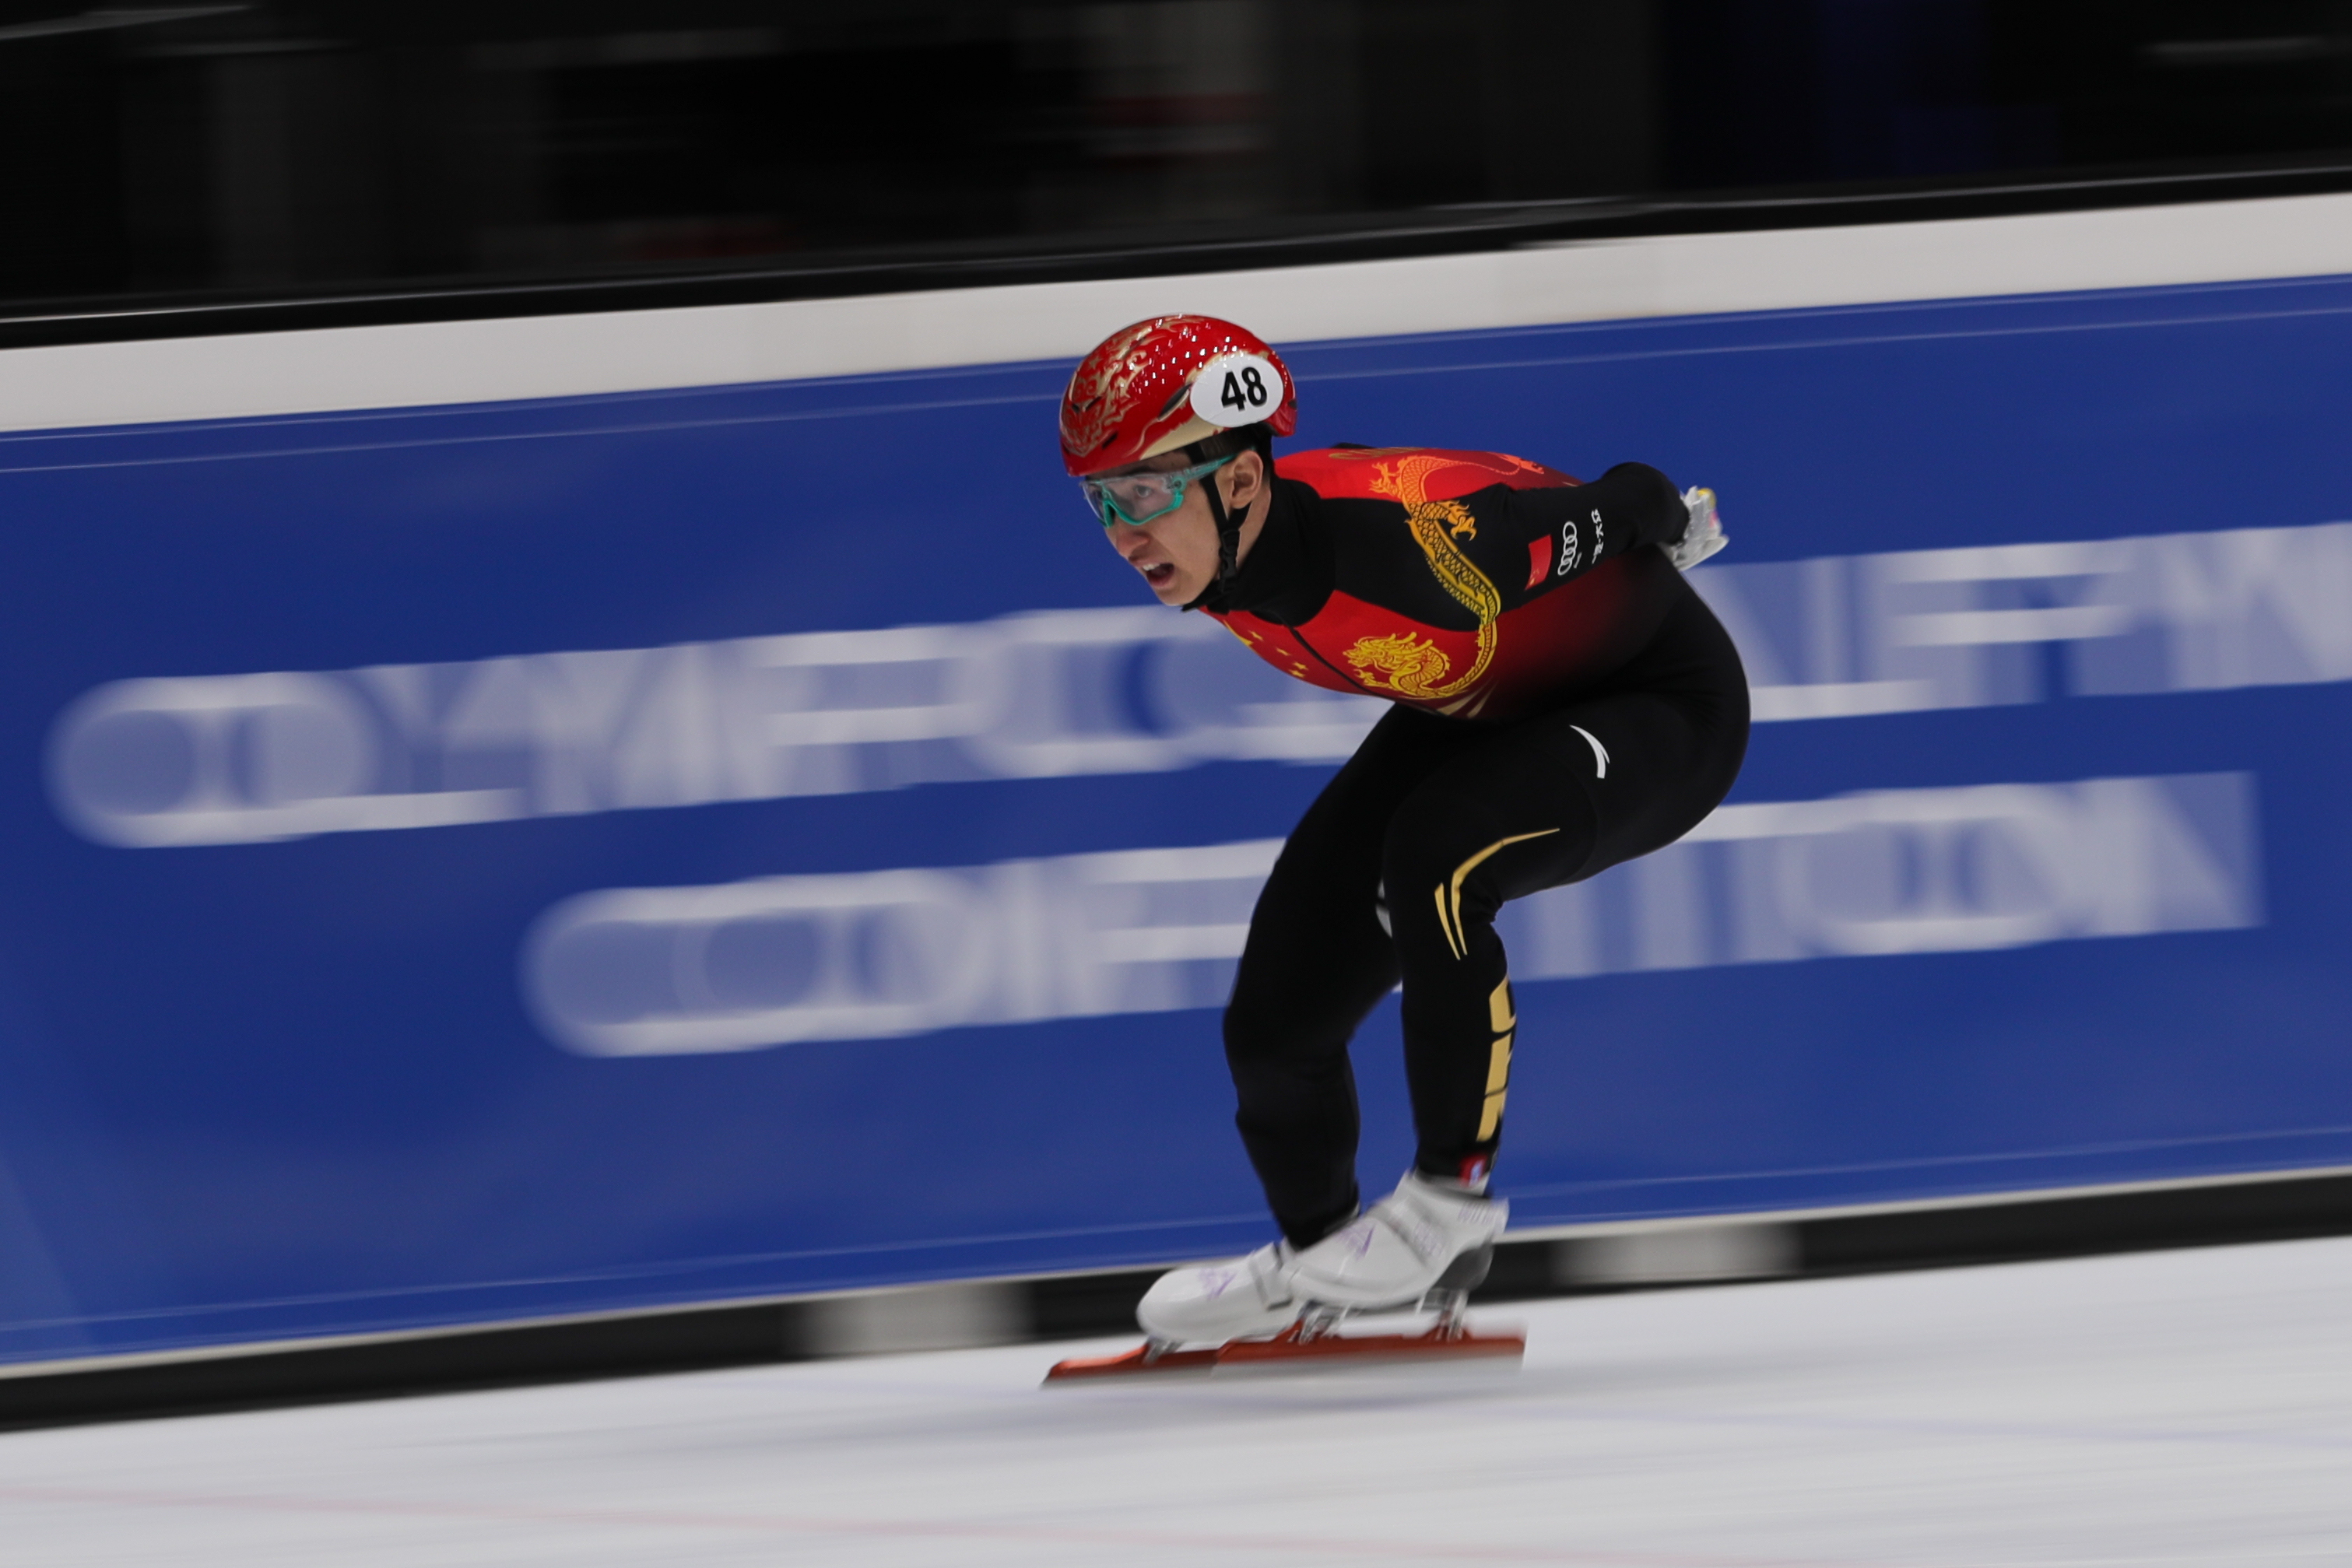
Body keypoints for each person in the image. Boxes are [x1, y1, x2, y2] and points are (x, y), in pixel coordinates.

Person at [1060, 315, 1746, 1345]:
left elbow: (1631, 494)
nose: (1124, 534)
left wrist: (1668, 521)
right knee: (1276, 1018)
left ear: (1240, 481)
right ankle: (1324, 1263)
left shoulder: (1424, 552)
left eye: (1145, 493)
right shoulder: (1228, 556)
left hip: (1656, 705)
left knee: (1437, 854)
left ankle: (1445, 1212)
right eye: (1102, 500)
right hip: (1483, 703)